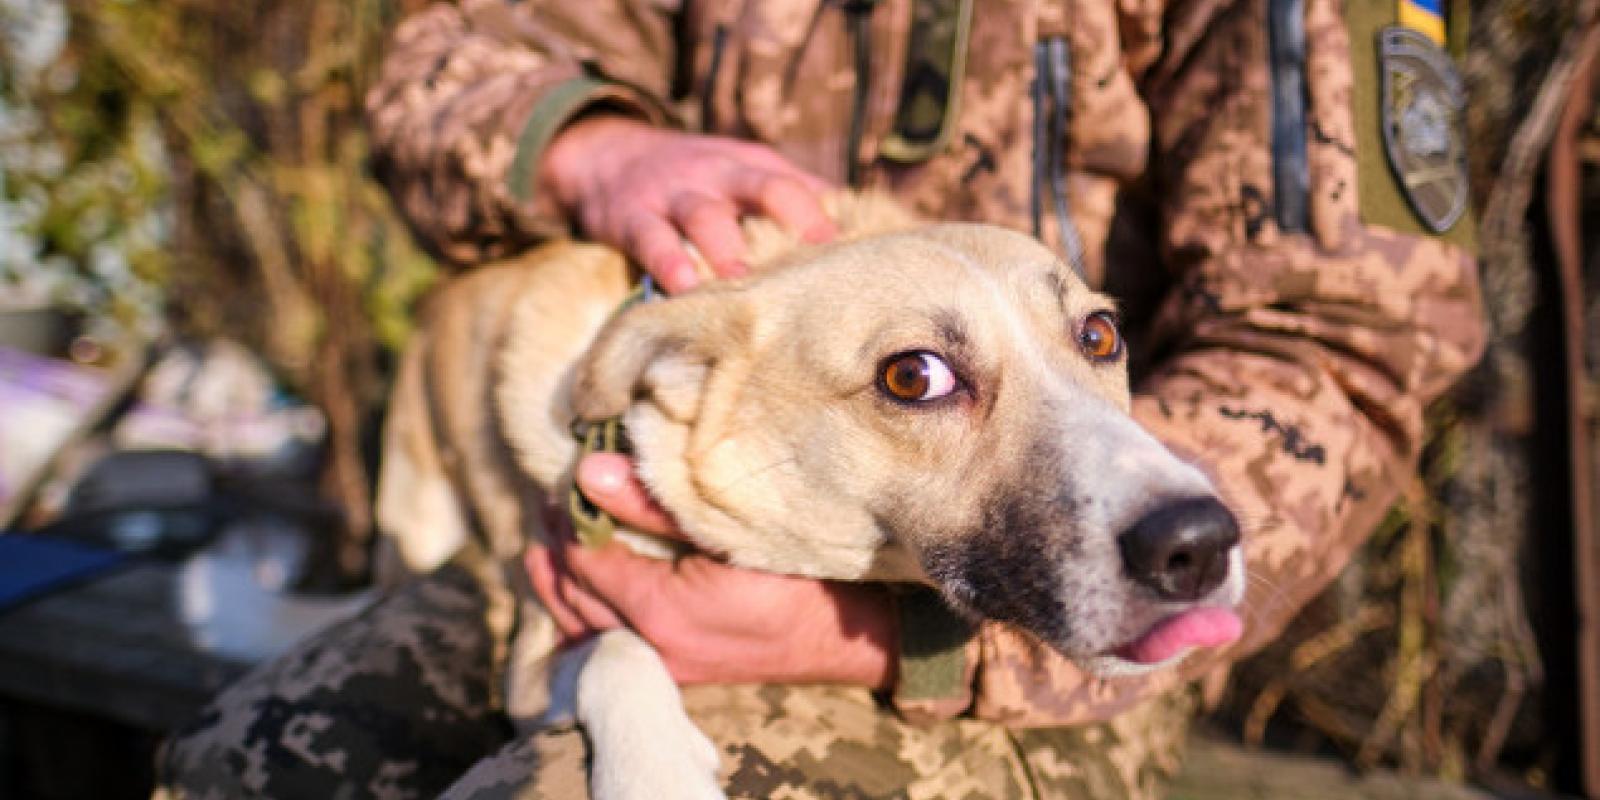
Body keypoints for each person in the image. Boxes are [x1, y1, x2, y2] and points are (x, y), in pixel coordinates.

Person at [157, 0, 1486, 797]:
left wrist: (891, 641)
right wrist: (594, 142)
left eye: (1097, 334)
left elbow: (1340, 346)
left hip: (1048, 637)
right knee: (246, 761)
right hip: (681, 506)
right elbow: (461, 47)